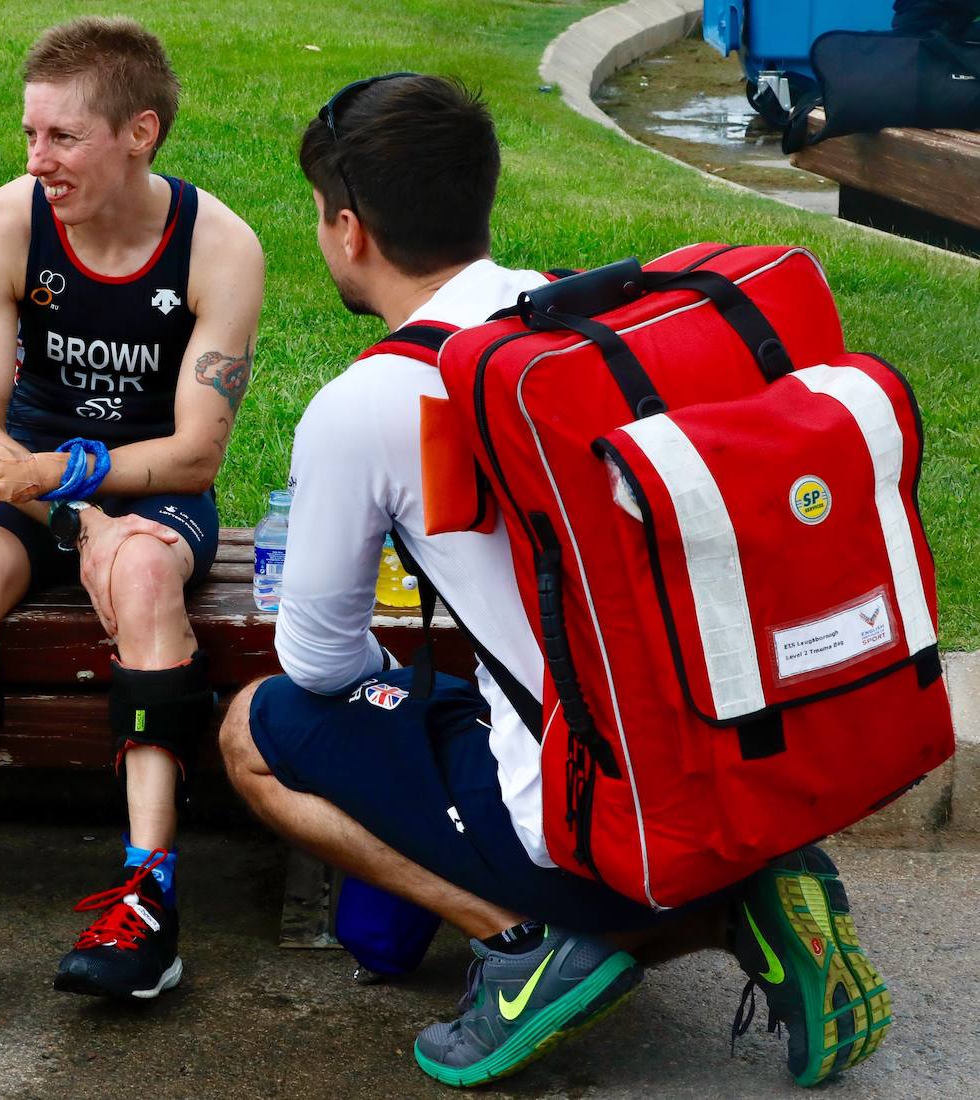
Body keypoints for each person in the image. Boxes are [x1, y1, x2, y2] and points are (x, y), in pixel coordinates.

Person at [218, 74, 887, 1088]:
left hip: (581, 822)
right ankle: (751, 893)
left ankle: (525, 943)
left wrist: (402, 684)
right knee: (488, 697)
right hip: (731, 761)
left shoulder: (368, 404)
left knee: (258, 728)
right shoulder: (593, 326)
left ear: (348, 229)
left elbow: (317, 662)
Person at [0, 16, 263, 1003]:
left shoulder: (219, 246)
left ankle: (148, 898)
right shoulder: (0, 227)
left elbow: (195, 451)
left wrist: (91, 503)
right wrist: (76, 511)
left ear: (139, 132)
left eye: (63, 138)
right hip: (23, 489)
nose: (38, 160)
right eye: (29, 136)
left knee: (142, 569)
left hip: (156, 494)